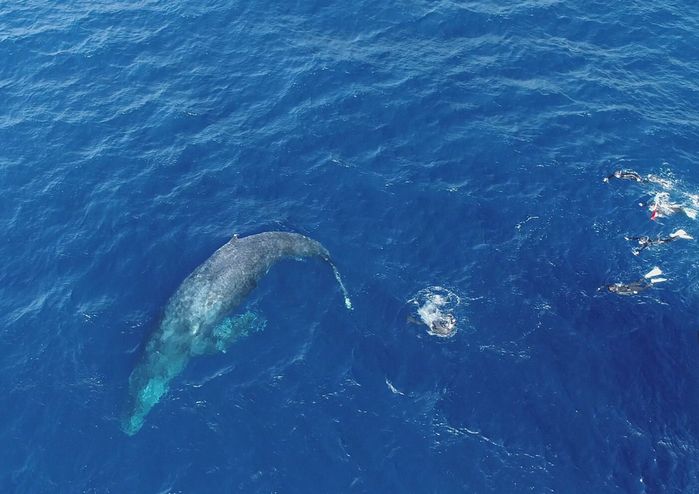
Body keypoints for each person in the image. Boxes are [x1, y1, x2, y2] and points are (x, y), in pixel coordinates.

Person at [599, 267, 667, 296]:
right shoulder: (618, 289)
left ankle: (652, 282)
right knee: (640, 283)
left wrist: (633, 292)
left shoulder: (618, 291)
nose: (613, 287)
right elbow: (626, 293)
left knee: (642, 288)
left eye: (612, 287)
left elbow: (626, 293)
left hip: (631, 287)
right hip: (630, 286)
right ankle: (648, 277)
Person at [625, 229, 693, 255]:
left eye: (640, 242)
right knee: (669, 238)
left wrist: (638, 252)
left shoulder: (646, 244)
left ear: (643, 241)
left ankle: (679, 236)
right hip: (659, 238)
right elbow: (635, 238)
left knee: (670, 240)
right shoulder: (642, 238)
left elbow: (642, 248)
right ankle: (676, 235)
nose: (640, 242)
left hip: (661, 241)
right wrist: (629, 238)